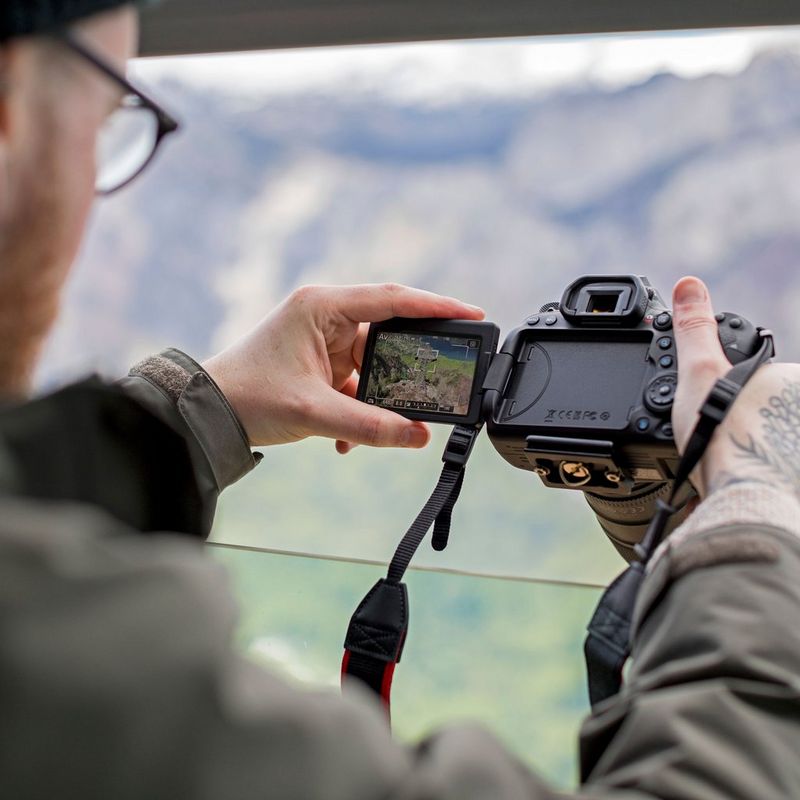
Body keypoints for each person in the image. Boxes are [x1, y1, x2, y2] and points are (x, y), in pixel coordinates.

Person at [1, 1, 800, 797]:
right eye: (110, 120)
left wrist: (205, 409)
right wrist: (756, 517)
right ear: (10, 114)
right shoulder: (60, 656)